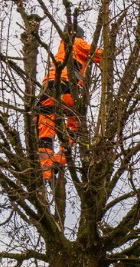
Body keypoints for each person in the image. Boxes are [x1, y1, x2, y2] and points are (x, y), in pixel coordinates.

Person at [35, 29, 100, 180]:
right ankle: (60, 159)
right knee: (74, 127)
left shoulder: (61, 48)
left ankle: (46, 171)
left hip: (51, 89)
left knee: (45, 127)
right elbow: (99, 54)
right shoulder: (76, 42)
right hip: (68, 89)